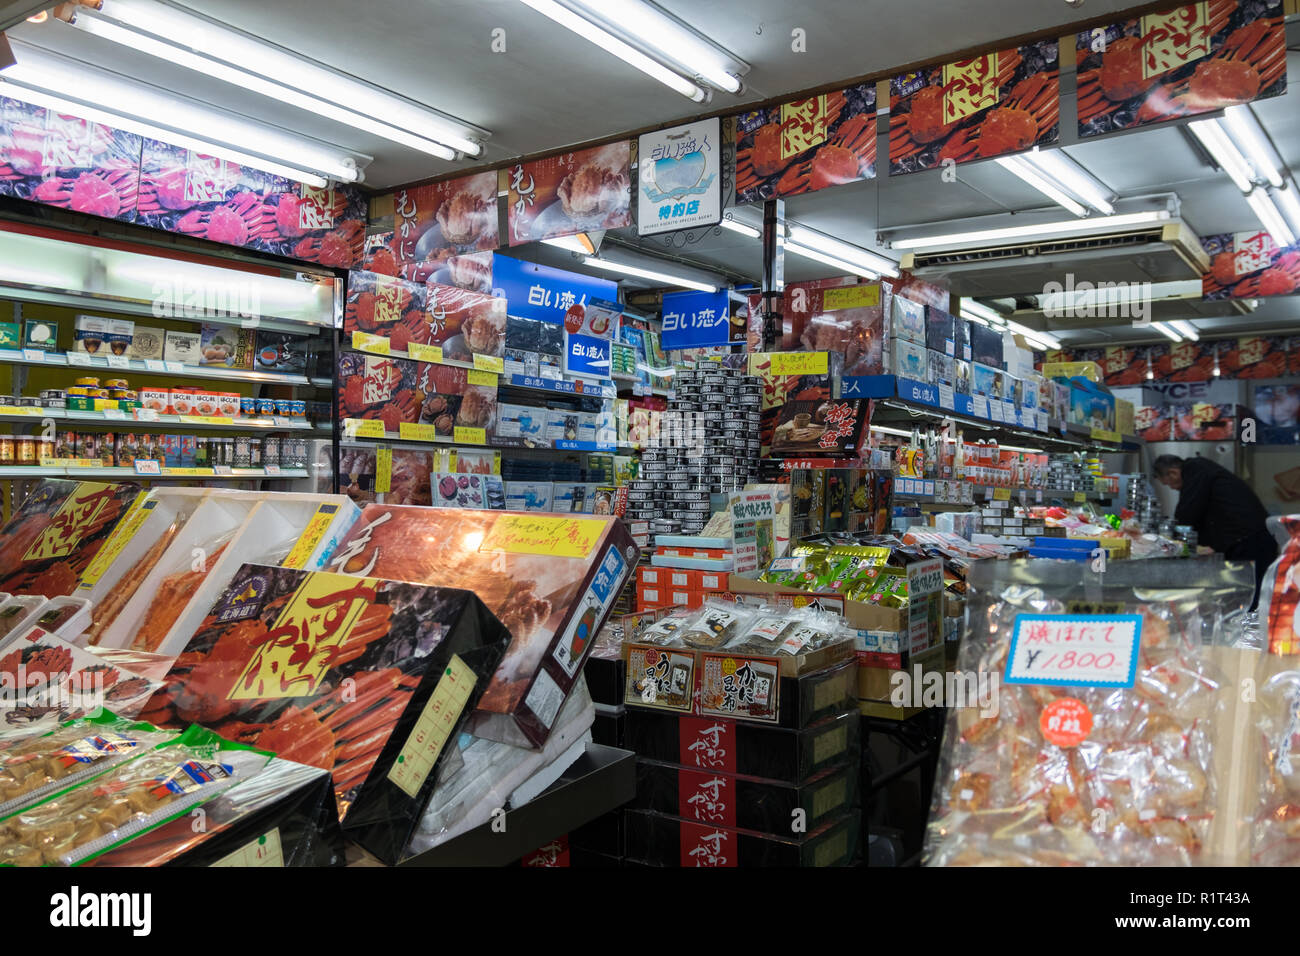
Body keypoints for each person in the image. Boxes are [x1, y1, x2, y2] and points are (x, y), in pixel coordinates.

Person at [1152, 454, 1278, 607]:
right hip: (1249, 539)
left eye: (1170, 484)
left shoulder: (1195, 470)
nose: (1173, 488)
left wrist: (1170, 539)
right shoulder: (1201, 471)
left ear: (1173, 472)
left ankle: (1253, 630)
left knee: (1252, 599)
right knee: (1251, 597)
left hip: (1251, 541)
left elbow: (1188, 513)